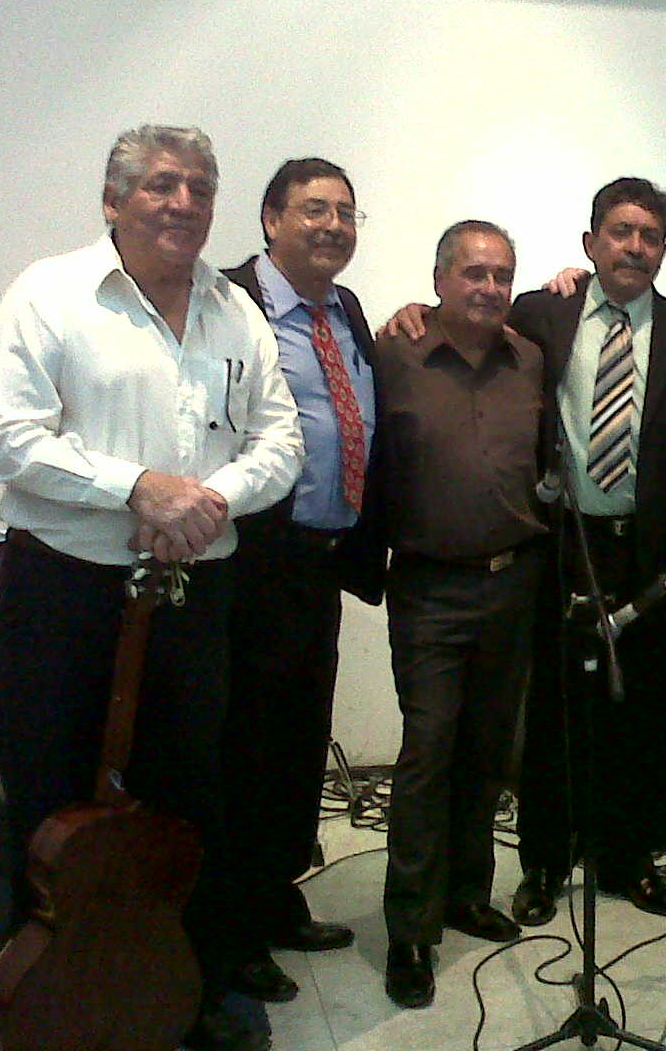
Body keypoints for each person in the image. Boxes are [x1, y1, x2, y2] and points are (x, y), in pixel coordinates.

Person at [0, 124, 304, 1051]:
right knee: (50, 804)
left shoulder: (235, 312)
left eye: (200, 187)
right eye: (162, 184)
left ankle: (187, 997)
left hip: (194, 592)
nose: (184, 203)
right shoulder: (48, 294)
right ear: (113, 200)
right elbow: (5, 439)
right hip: (65, 592)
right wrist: (137, 489)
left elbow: (280, 439)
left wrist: (207, 501)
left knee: (188, 798)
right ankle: (51, 1004)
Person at [389, 178, 666, 922]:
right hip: (559, 546)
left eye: (648, 236)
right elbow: (463, 322)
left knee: (641, 711)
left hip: (651, 554)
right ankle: (544, 862)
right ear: (590, 243)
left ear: (664, 250)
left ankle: (629, 858)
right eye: (619, 232)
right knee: (550, 713)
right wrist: (412, 311)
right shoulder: (540, 315)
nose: (634, 247)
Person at [220, 158, 385, 1005]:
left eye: (346, 213)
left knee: (296, 743)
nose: (333, 226)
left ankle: (276, 894)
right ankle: (231, 930)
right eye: (314, 209)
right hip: (246, 565)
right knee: (242, 751)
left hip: (320, 564)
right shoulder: (224, 302)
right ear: (270, 218)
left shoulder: (343, 308)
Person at [373, 220, 548, 1009]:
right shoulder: (395, 353)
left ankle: (466, 894)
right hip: (429, 588)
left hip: (514, 582)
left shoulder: (530, 358)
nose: (489, 287)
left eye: (502, 275)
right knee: (428, 751)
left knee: (486, 750)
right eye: (473, 273)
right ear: (439, 278)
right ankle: (410, 929)